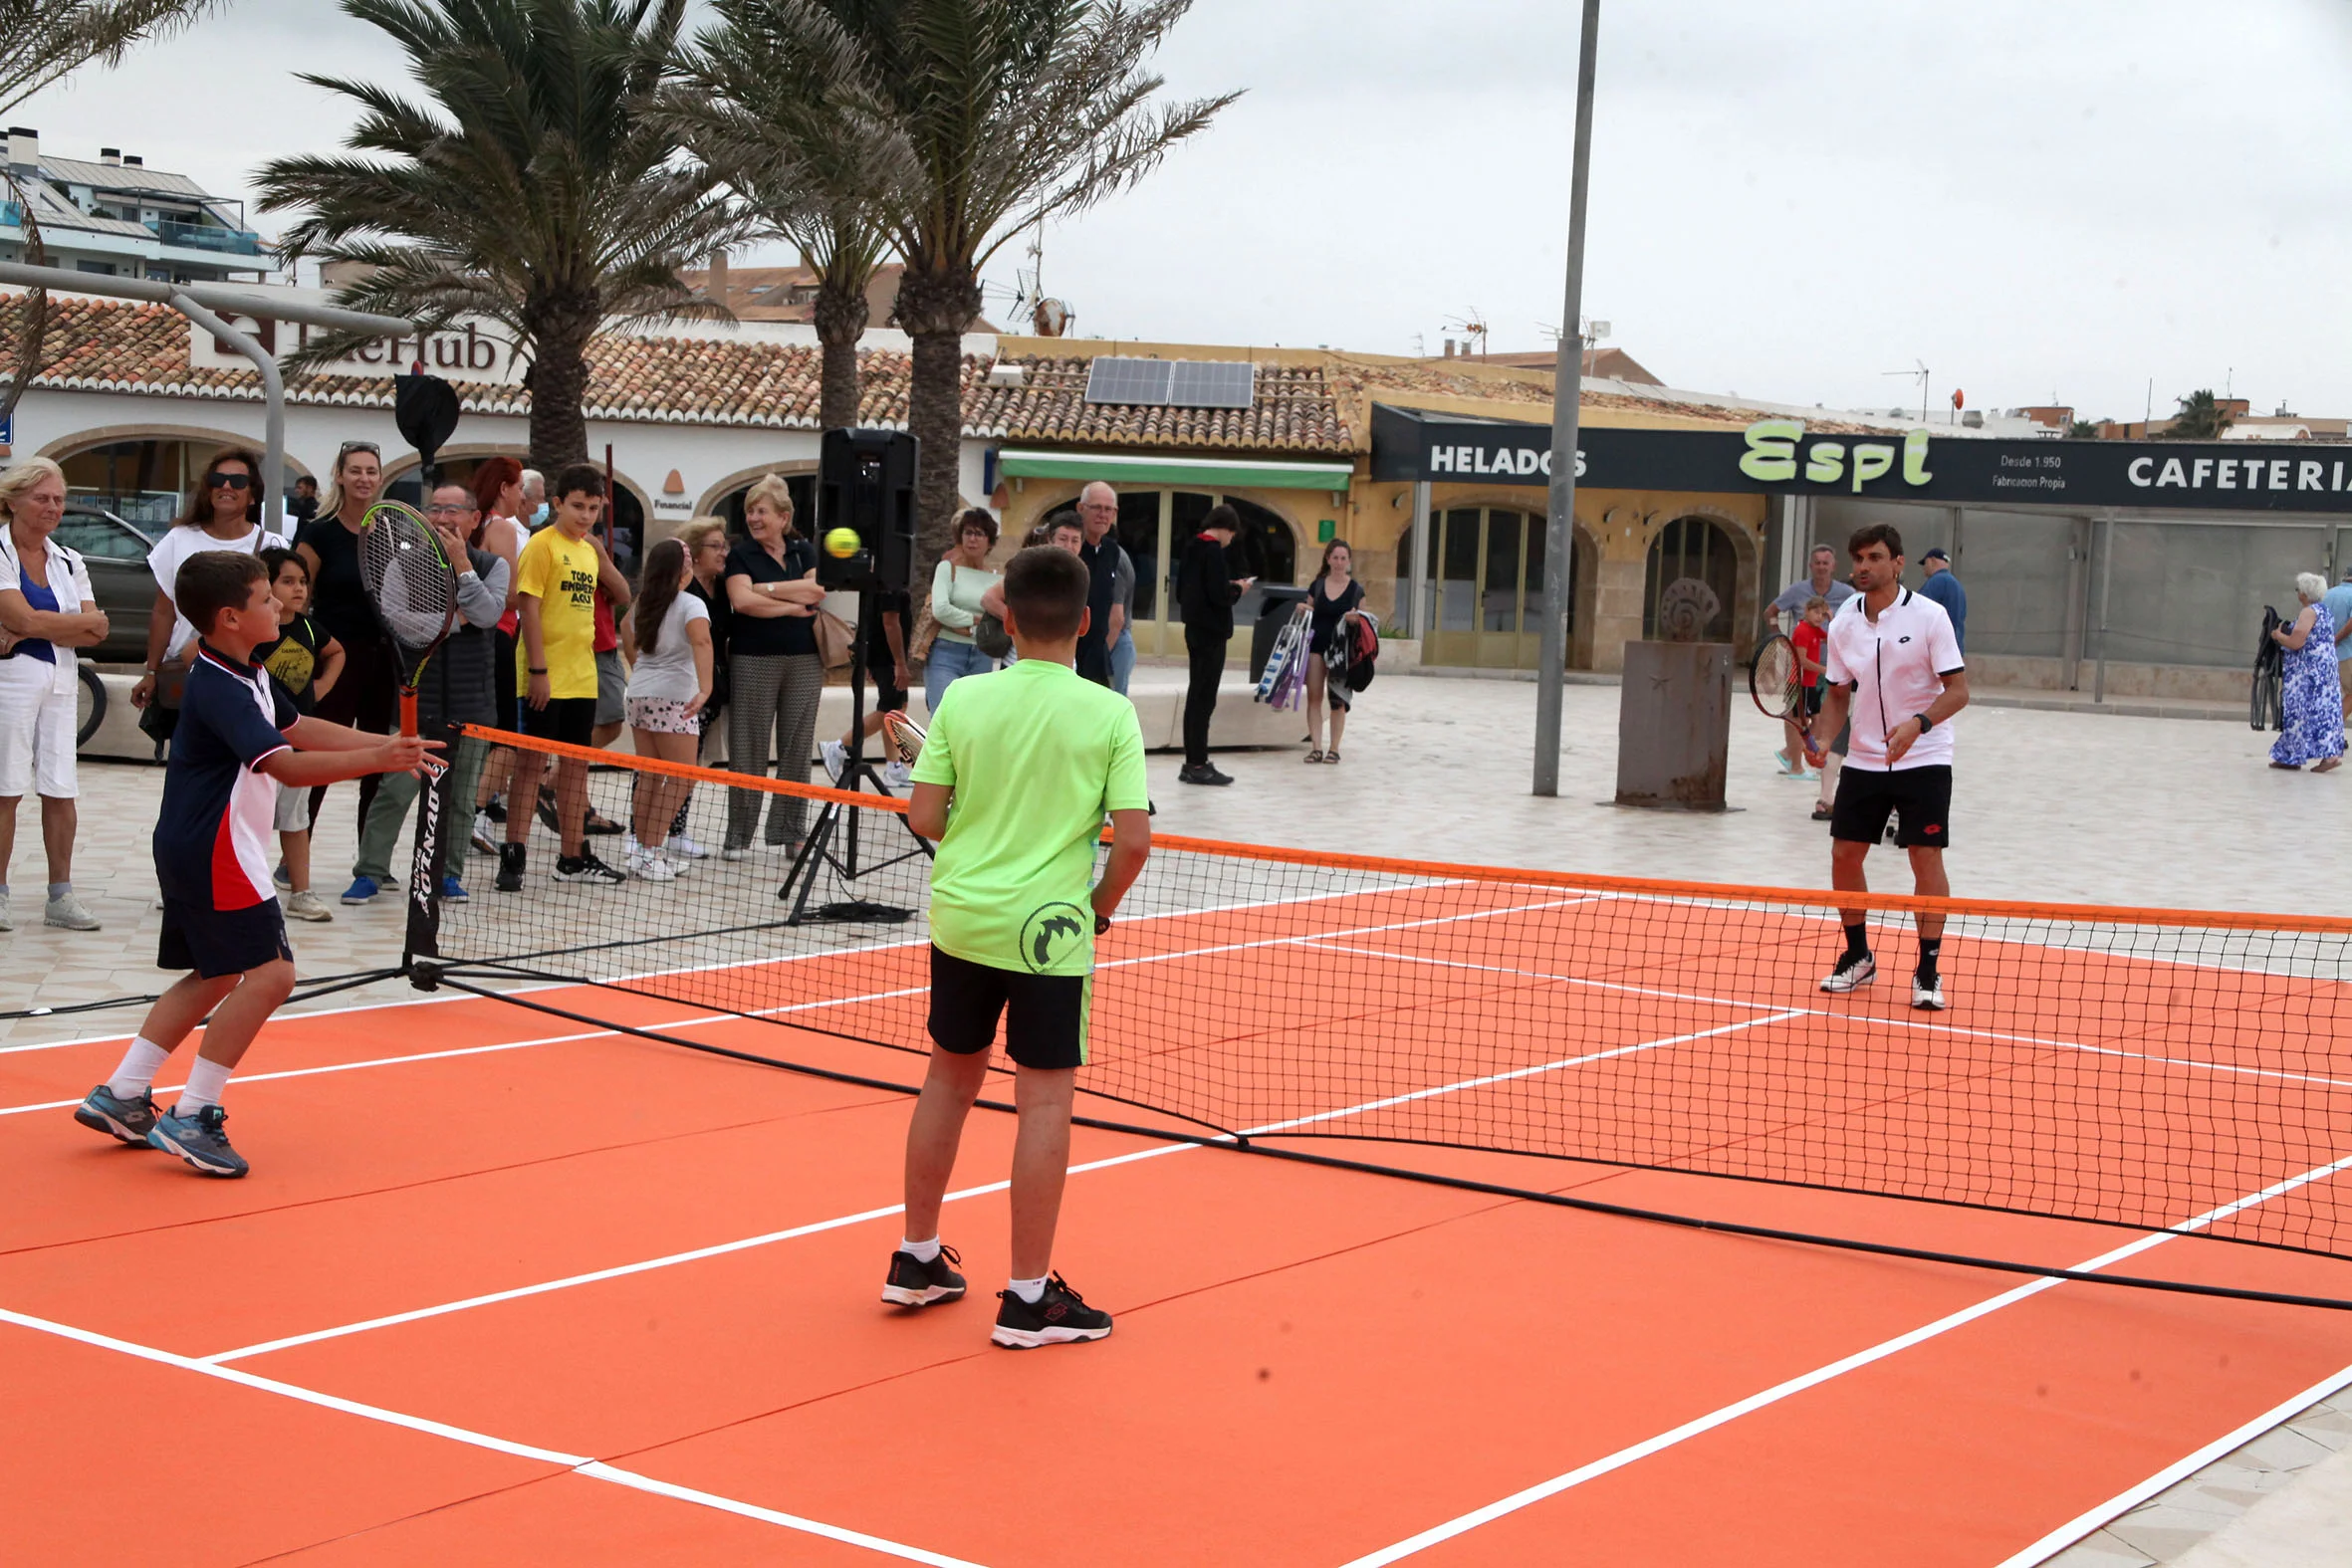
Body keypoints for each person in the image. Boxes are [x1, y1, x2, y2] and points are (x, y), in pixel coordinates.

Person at [72, 552, 433, 1178]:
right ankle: (192, 1114)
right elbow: (284, 763)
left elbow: (297, 727)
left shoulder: (249, 671)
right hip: (214, 849)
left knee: (216, 975)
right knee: (272, 975)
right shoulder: (215, 684)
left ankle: (124, 1095)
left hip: (198, 844)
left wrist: (386, 746)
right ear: (232, 617)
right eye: (267, 598)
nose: (282, 604)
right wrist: (380, 762)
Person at [892, 544, 1151, 1347]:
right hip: (1050, 934)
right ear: (1082, 622)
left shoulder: (965, 699)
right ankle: (1029, 1298)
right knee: (1043, 1100)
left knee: (948, 1079)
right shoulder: (1109, 712)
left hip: (963, 917)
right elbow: (1134, 842)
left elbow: (924, 817)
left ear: (1005, 617)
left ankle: (917, 1256)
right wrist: (1097, 911)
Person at [1803, 523, 1970, 1010]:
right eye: (1858, 558)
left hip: (1924, 755)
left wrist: (1917, 724)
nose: (1863, 567)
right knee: (1844, 854)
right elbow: (1837, 694)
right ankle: (1859, 956)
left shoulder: (1929, 617)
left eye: (1874, 557)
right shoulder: (1843, 624)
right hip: (1866, 759)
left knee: (1924, 856)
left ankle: (1928, 969)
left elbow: (1958, 691)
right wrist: (1824, 739)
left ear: (1897, 563)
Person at [348, 482, 509, 903]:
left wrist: (461, 567)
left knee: (460, 799)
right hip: (415, 697)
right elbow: (397, 620)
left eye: (452, 510)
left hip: (474, 702)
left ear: (475, 519)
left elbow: (490, 613)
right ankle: (370, 872)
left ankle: (448, 876)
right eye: (434, 509)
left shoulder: (493, 566)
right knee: (396, 791)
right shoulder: (402, 565)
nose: (441, 518)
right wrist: (456, 620)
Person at [500, 464, 632, 889]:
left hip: (582, 675)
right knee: (531, 765)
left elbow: (624, 594)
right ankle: (514, 854)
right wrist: (538, 669)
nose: (585, 515)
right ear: (557, 503)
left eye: (593, 508)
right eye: (577, 506)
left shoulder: (588, 550)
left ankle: (573, 857)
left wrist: (597, 547)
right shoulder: (542, 546)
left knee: (576, 769)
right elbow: (529, 608)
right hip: (543, 674)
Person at [0, 456, 107, 932]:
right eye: (41, 498)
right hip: (9, 681)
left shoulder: (69, 560)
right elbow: (22, 617)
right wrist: (49, 626)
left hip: (60, 681)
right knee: (4, 787)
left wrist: (29, 630)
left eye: (59, 499)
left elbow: (98, 629)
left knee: (61, 787)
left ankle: (60, 895)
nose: (52, 507)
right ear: (13, 501)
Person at [131, 447, 290, 727]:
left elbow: (282, 614)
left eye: (238, 481)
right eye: (218, 479)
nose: (226, 486)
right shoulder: (178, 539)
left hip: (247, 671)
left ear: (253, 495)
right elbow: (163, 611)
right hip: (189, 670)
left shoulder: (272, 546)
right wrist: (152, 671)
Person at [295, 442, 397, 833]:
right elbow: (298, 597)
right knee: (319, 755)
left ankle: (370, 863)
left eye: (371, 471)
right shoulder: (319, 532)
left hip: (385, 659)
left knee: (379, 757)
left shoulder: (391, 532)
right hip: (334, 656)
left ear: (380, 478)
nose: (363, 478)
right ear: (339, 475)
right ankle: (295, 849)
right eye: (355, 470)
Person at [722, 475, 826, 858]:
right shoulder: (740, 554)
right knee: (747, 749)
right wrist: (789, 604)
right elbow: (742, 602)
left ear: (783, 517)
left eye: (761, 511)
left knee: (797, 750)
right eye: (750, 511)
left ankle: (791, 833)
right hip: (753, 658)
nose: (753, 518)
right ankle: (738, 836)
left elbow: (816, 591)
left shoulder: (804, 551)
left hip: (805, 659)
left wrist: (764, 589)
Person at [253, 549, 343, 923]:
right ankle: (244, 892)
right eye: (287, 581)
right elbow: (197, 652)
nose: (298, 589)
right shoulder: (256, 629)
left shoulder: (308, 628)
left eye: (302, 582)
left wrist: (321, 687)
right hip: (258, 744)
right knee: (250, 821)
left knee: (296, 819)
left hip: (299, 742)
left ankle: (300, 892)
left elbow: (337, 652)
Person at [622, 538, 714, 879]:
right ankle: (650, 851)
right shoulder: (691, 604)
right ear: (682, 570)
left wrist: (642, 669)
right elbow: (702, 641)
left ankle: (641, 850)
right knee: (682, 778)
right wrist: (706, 689)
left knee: (649, 776)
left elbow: (624, 629)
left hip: (640, 695)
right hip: (675, 698)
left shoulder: (644, 601)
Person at [466, 456, 530, 854]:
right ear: (505, 488)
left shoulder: (473, 524)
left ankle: (469, 811)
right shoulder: (501, 526)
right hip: (499, 634)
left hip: (475, 638)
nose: (523, 495)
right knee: (506, 739)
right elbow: (509, 591)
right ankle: (470, 813)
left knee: (479, 735)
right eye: (520, 487)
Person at [1175, 504, 1254, 786]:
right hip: (1211, 633)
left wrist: (1225, 586)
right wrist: (1238, 589)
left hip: (1194, 630)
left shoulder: (1190, 548)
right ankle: (1198, 763)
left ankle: (1192, 760)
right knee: (1204, 698)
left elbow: (1186, 591)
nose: (1231, 539)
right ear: (1226, 528)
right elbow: (1220, 596)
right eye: (1232, 533)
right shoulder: (1212, 552)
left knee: (1195, 695)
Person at [821, 568, 912, 789]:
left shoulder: (878, 581)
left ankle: (893, 766)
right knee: (890, 711)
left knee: (897, 707)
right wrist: (899, 662)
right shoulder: (890, 583)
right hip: (888, 658)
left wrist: (869, 659)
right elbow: (890, 623)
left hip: (880, 656)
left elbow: (870, 619)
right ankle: (840, 746)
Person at [2266, 572, 2346, 774]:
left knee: (2299, 712)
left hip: (2308, 674)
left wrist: (2278, 635)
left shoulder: (2309, 612)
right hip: (2324, 670)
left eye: (2298, 590)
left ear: (2304, 593)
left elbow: (2296, 642)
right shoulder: (2324, 611)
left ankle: (2307, 756)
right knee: (2325, 712)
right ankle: (2303, 755)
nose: (2297, 593)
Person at [925, 510, 1002, 717]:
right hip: (946, 652)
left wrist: (962, 623)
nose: (972, 539)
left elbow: (1002, 617)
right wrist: (976, 619)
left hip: (981, 655)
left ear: (990, 542)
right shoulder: (947, 569)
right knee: (943, 717)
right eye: (968, 533)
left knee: (972, 720)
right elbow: (940, 610)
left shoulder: (997, 580)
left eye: (979, 534)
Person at [1302, 539, 1364, 765]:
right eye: (1335, 558)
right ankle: (1316, 748)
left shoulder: (1356, 589)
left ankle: (1334, 749)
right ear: (1328, 559)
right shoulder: (1317, 585)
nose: (1339, 562)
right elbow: (1310, 608)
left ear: (1349, 561)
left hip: (1342, 652)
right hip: (1317, 647)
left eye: (1343, 558)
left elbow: (1364, 623)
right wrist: (1303, 608)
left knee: (1338, 700)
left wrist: (1354, 620)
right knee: (1314, 698)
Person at [1073, 482, 1128, 688]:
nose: (1102, 514)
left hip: (1097, 653)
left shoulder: (1112, 551)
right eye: (1096, 507)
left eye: (1108, 509)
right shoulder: (1071, 548)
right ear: (1081, 509)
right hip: (1069, 649)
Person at [1777, 595, 1830, 779]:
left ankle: (1789, 752)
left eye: (1822, 614)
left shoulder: (1816, 630)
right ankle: (1796, 767)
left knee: (1816, 721)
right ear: (1806, 611)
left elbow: (1833, 638)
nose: (1819, 617)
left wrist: (1831, 619)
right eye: (1816, 612)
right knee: (1800, 723)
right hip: (1800, 684)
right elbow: (1801, 660)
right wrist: (1824, 669)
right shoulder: (1803, 631)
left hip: (1811, 683)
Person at [1768, 544, 1857, 635]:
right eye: (1817, 563)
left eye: (1825, 563)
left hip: (1834, 649)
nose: (1821, 567)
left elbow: (1862, 618)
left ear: (1833, 566)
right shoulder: (1797, 590)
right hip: (1801, 648)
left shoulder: (1847, 593)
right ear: (1811, 566)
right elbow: (1770, 613)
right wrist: (1779, 639)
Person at [1916, 548, 1967, 652]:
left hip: (1938, 649)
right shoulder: (1957, 585)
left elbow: (1918, 611)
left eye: (1925, 563)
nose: (1924, 568)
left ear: (1932, 560)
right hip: (1955, 648)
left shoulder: (1936, 582)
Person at [2321, 566, 2352, 722]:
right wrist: (2337, 639)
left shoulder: (2328, 594)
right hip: (2346, 652)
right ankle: (2334, 728)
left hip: (2325, 653)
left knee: (2331, 695)